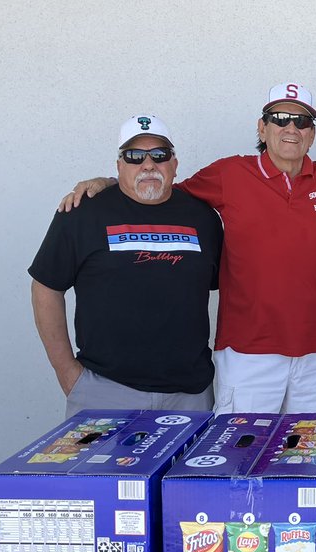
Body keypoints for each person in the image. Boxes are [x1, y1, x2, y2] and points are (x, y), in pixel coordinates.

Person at [61, 84, 316, 414]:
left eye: (301, 121)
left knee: (311, 458)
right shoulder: (229, 173)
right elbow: (160, 190)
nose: (290, 128)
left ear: (312, 134)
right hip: (247, 351)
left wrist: (299, 267)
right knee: (242, 458)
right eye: (280, 118)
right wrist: (110, 182)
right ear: (262, 127)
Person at [30, 115, 223, 413]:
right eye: (134, 156)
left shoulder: (203, 218)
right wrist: (67, 372)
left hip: (190, 394)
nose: (148, 164)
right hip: (104, 390)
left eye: (159, 155)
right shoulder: (82, 213)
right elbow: (46, 287)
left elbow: (227, 287)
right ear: (119, 165)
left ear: (174, 163)